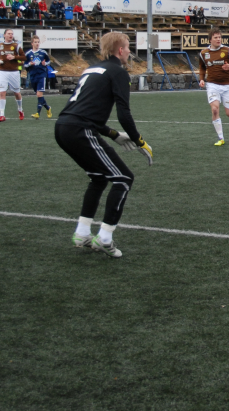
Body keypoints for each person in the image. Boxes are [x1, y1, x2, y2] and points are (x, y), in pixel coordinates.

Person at [56, 31, 152, 258]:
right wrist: (139, 140)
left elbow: (84, 110)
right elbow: (123, 113)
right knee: (124, 178)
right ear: (120, 50)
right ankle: (105, 238)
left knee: (99, 178)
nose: (129, 52)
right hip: (80, 130)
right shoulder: (118, 71)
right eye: (128, 47)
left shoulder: (91, 69)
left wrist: (113, 134)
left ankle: (82, 232)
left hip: (63, 127)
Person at [199, 28, 229, 145]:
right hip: (212, 85)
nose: (218, 39)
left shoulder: (228, 50)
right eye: (216, 37)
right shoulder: (204, 53)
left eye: (219, 37)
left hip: (227, 86)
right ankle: (221, 138)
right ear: (210, 40)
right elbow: (202, 67)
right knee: (214, 109)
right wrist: (201, 79)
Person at [0, 28, 25, 122]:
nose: (11, 35)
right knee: (2, 92)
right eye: (9, 33)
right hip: (2, 72)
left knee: (17, 93)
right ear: (4, 35)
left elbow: (24, 57)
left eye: (12, 34)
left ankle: (20, 109)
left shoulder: (16, 46)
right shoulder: (0, 45)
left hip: (14, 72)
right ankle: (2, 115)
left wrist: (14, 57)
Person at [24, 35, 53, 119]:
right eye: (35, 42)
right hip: (33, 76)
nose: (37, 43)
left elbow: (48, 61)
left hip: (41, 75)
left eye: (38, 42)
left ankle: (38, 113)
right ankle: (48, 108)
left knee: (39, 94)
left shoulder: (43, 52)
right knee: (38, 95)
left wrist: (45, 63)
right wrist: (29, 64)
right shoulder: (28, 54)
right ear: (32, 43)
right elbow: (25, 65)